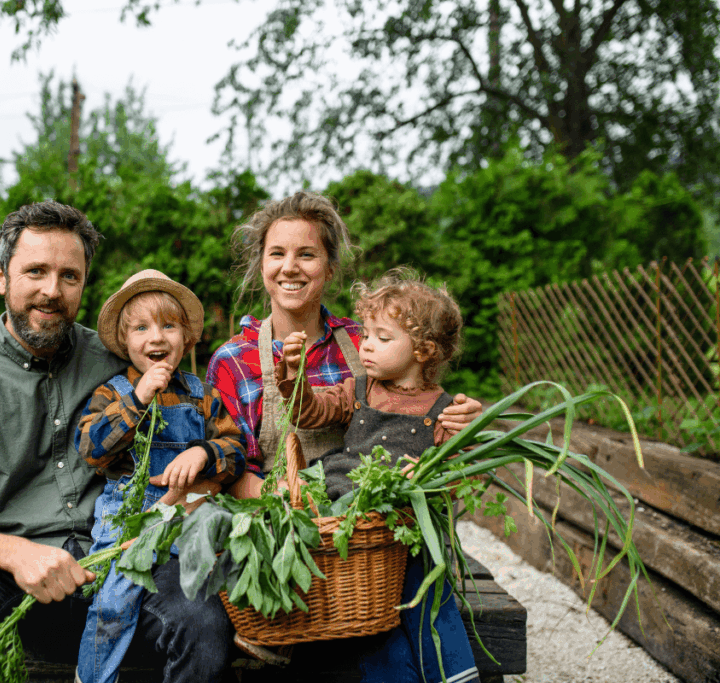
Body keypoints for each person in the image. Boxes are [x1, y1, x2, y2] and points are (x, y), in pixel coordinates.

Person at [0, 202, 232, 683]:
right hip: (13, 577)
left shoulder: (119, 359)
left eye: (69, 276)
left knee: (202, 620)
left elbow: (200, 428)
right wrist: (18, 555)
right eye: (35, 271)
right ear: (1, 277)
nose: (52, 291)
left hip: (127, 556)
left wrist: (191, 485)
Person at [205, 191, 482, 682]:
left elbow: (425, 413)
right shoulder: (233, 360)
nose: (290, 267)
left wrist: (461, 422)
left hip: (375, 553)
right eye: (277, 253)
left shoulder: (367, 339)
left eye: (307, 254)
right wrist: (289, 501)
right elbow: (229, 468)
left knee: (396, 637)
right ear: (262, 264)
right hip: (294, 548)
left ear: (330, 268)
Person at [278, 267, 479, 683]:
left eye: (382, 338)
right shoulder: (358, 389)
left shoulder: (443, 411)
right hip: (351, 523)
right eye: (366, 334)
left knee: (429, 599)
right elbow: (308, 413)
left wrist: (443, 463)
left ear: (424, 350)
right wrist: (294, 376)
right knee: (375, 623)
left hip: (404, 532)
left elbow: (460, 477)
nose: (366, 345)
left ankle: (455, 675)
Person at [75, 269, 246, 683]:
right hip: (129, 521)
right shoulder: (113, 392)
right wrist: (138, 399)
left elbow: (236, 451)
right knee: (112, 603)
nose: (156, 337)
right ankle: (92, 677)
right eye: (141, 328)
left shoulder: (202, 395)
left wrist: (204, 452)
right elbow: (91, 449)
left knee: (221, 583)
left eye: (169, 326)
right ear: (125, 341)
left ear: (186, 338)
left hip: (187, 517)